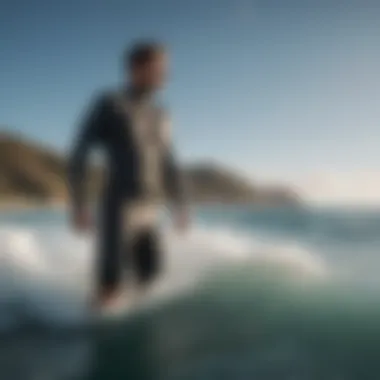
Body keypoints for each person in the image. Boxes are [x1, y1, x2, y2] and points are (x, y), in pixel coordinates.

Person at [67, 41, 189, 310]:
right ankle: (94, 333)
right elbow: (80, 152)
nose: (166, 76)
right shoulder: (111, 104)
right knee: (109, 284)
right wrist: (79, 204)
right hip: (119, 207)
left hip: (150, 209)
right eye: (160, 69)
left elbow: (169, 163)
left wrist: (181, 204)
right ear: (137, 69)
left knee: (150, 277)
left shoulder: (162, 114)